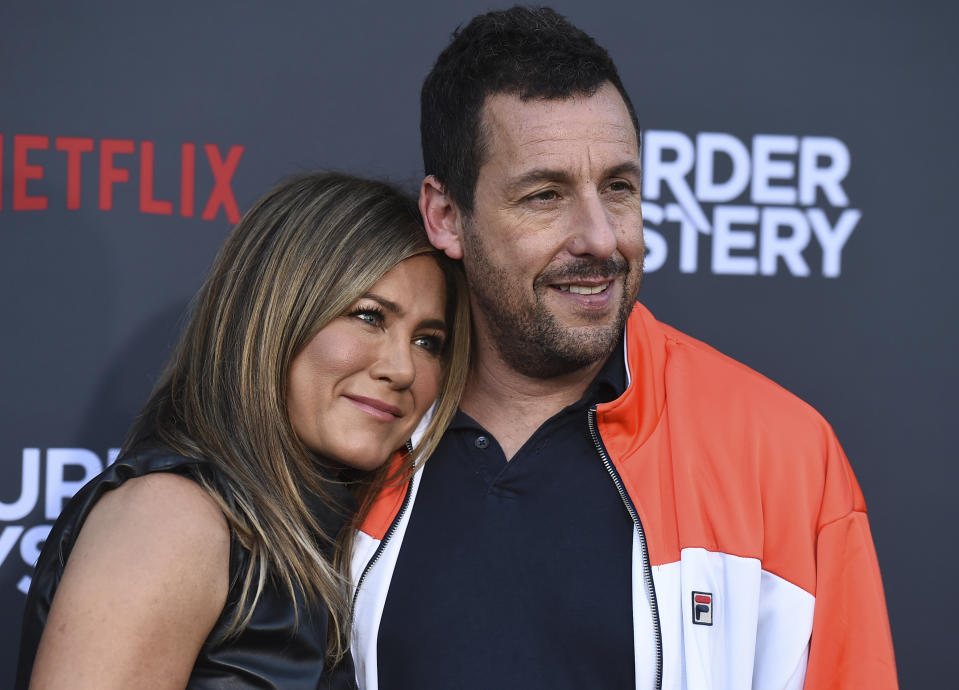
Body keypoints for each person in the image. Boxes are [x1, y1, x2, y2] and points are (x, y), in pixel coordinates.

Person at [348, 7, 897, 690]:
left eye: (618, 187)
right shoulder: (358, 430)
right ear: (446, 217)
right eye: (544, 195)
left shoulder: (782, 453)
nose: (601, 238)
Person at [16, 172, 470, 690]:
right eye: (368, 317)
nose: (403, 369)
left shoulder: (337, 544)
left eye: (428, 342)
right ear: (273, 315)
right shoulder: (173, 517)